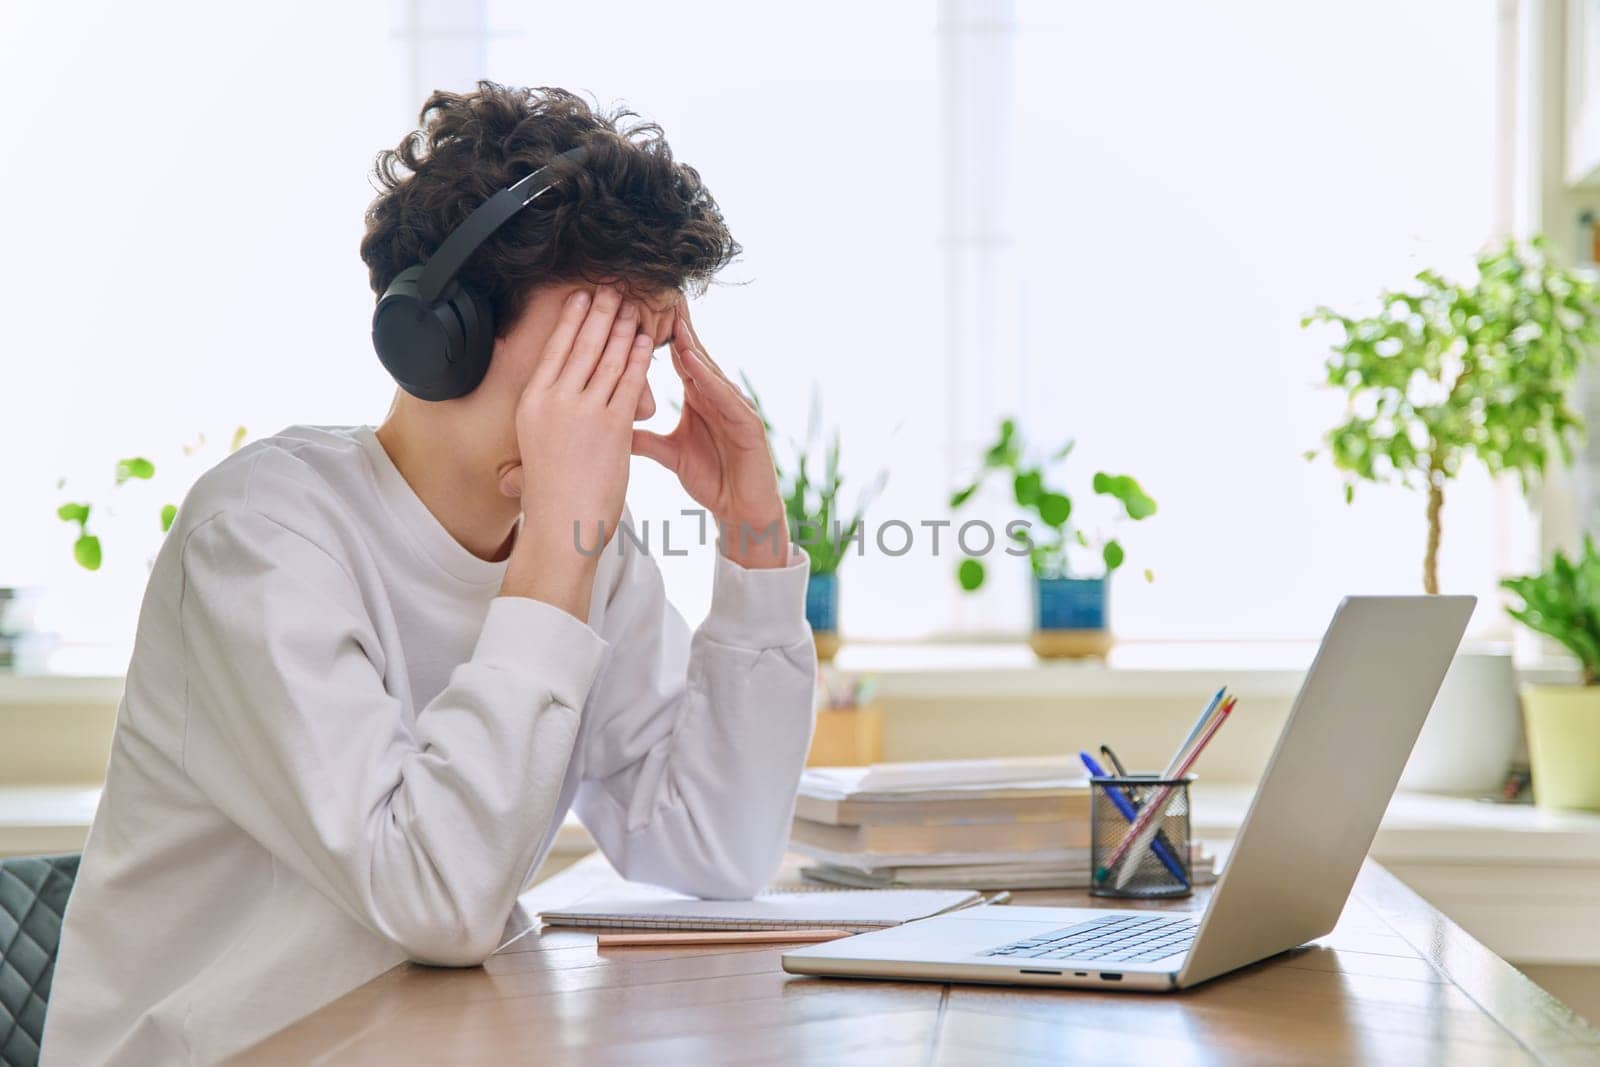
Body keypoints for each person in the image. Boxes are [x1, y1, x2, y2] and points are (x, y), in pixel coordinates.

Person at [43, 83, 817, 1065]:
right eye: (588, 355)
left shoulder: (585, 555)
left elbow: (716, 846)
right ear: (438, 338)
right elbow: (435, 900)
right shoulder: (261, 536)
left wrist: (752, 535)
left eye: (638, 355)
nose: (614, 408)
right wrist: (559, 549)